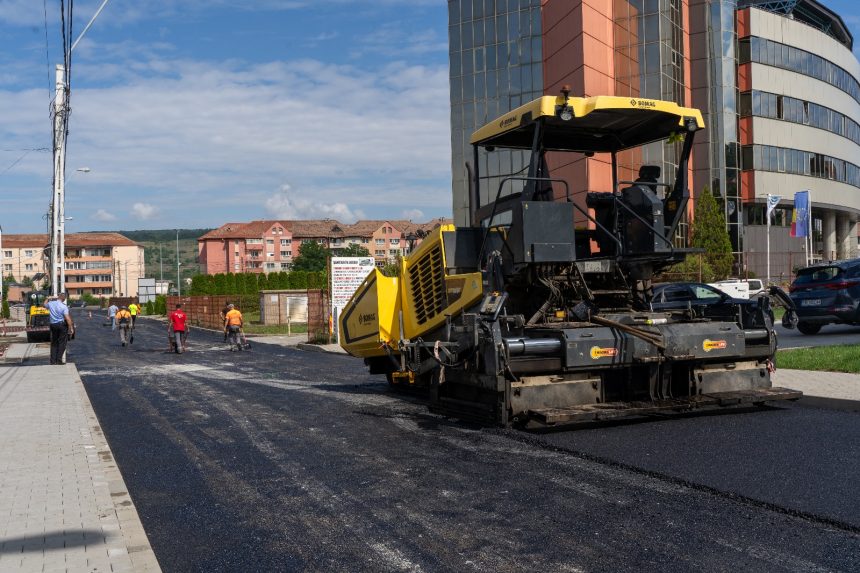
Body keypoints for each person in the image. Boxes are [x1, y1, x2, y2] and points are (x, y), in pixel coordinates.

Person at [45, 293, 74, 365]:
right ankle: (59, 360)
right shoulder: (64, 307)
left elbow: (44, 304)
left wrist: (48, 298)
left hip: (53, 325)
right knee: (62, 343)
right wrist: (70, 328)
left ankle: (52, 361)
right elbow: (67, 319)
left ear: (58, 297)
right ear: (64, 299)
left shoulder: (51, 303)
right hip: (61, 325)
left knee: (54, 343)